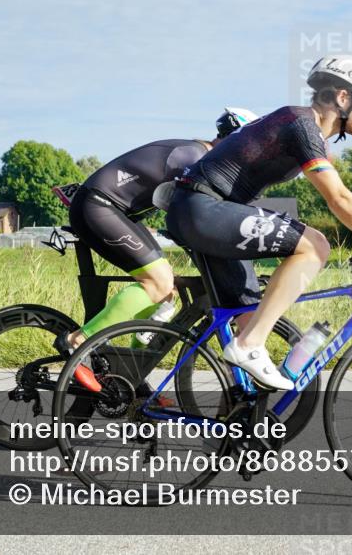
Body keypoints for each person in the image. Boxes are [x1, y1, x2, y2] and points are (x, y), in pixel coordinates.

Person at [166, 55, 352, 390]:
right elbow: (339, 199)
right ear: (343, 97)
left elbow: (345, 202)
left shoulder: (304, 129)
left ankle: (242, 412)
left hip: (198, 211)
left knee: (250, 317)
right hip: (203, 208)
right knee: (315, 246)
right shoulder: (301, 124)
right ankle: (248, 346)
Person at [55, 108, 259, 390]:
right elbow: (192, 223)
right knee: (158, 282)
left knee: (166, 294)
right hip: (98, 206)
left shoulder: (204, 159)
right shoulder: (194, 158)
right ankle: (77, 342)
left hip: (117, 212)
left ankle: (132, 374)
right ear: (233, 139)